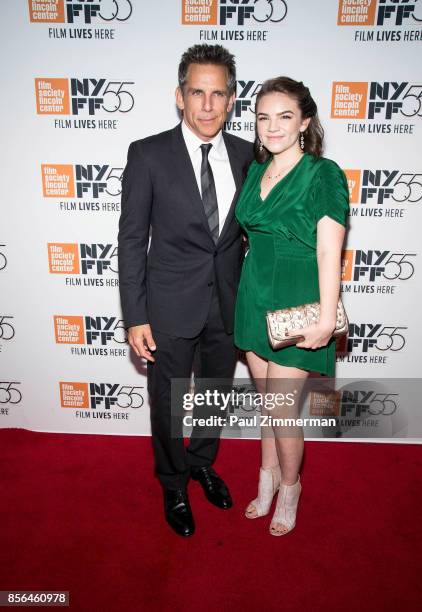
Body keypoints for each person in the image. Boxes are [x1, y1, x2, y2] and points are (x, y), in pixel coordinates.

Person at [118, 44, 253, 537]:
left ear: (232, 99)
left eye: (219, 94)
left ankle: (201, 462)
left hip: (229, 305)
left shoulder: (246, 155)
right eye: (198, 92)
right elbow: (132, 239)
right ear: (180, 96)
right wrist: (135, 315)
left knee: (216, 393)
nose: (208, 105)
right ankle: (173, 483)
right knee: (170, 403)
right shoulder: (148, 154)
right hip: (168, 307)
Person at [234, 77, 349, 536]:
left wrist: (326, 316)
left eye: (285, 116)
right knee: (268, 407)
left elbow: (328, 251)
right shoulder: (253, 172)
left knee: (282, 410)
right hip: (253, 295)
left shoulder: (323, 173)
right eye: (264, 116)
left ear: (305, 121)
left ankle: (290, 487)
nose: (273, 126)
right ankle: (265, 483)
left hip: (297, 302)